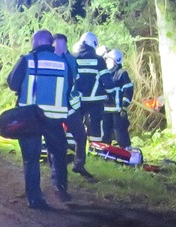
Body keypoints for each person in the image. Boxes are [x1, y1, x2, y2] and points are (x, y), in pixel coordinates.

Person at [7, 29, 72, 209]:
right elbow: (70, 87)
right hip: (55, 118)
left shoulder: (27, 60)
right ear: (50, 44)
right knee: (58, 155)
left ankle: (35, 199)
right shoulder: (63, 62)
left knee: (31, 159)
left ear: (35, 43)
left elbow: (12, 83)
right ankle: (61, 189)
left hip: (31, 119)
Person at [53, 33, 92, 178]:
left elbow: (78, 80)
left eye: (62, 45)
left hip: (71, 107)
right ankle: (56, 170)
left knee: (81, 136)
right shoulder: (50, 60)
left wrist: (78, 95)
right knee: (56, 139)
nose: (60, 48)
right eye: (57, 45)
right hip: (54, 108)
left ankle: (79, 165)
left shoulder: (71, 59)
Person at [72, 31, 114, 145]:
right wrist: (112, 94)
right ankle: (95, 149)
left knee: (75, 123)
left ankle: (72, 149)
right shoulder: (99, 60)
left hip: (77, 100)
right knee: (95, 125)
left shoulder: (73, 58)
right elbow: (107, 81)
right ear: (94, 44)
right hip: (95, 100)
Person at [102, 49, 134, 148]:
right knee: (105, 132)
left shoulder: (122, 74)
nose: (106, 62)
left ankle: (127, 152)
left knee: (120, 132)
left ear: (115, 61)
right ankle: (105, 153)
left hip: (118, 110)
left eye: (109, 60)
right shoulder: (104, 74)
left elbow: (128, 90)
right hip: (105, 110)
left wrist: (124, 107)